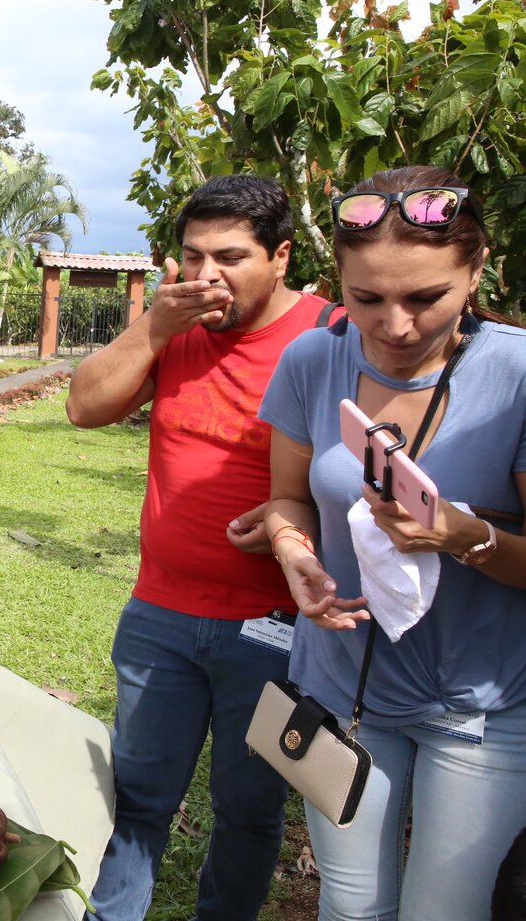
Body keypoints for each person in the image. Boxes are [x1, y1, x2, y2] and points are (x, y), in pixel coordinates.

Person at [261, 166, 526, 921]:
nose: (396, 325)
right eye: (367, 298)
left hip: (483, 708)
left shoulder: (522, 374)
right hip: (346, 691)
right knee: (351, 908)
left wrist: (466, 535)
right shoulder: (312, 360)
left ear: (475, 270)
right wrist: (295, 555)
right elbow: (287, 497)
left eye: (426, 298)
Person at [68, 175, 337, 921]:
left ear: (281, 256)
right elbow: (84, 407)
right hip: (161, 611)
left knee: (250, 809)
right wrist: (153, 329)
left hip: (276, 627)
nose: (206, 276)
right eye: (192, 256)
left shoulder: (331, 335)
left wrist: (292, 512)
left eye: (230, 257)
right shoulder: (176, 325)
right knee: (137, 798)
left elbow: (362, 475)